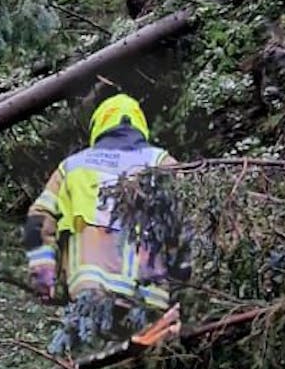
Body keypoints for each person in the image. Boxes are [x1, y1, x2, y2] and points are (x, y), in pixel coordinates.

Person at [24, 93, 176, 315]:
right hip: (148, 298)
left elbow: (39, 219)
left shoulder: (72, 167)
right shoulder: (161, 162)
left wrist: (44, 276)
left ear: (98, 126)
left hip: (89, 293)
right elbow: (186, 223)